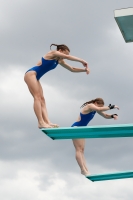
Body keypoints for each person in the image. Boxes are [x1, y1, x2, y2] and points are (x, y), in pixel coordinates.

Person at [24, 44, 90, 128]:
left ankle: (48, 122)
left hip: (36, 77)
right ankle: (40, 122)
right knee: (37, 97)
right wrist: (82, 61)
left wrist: (84, 70)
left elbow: (72, 69)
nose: (65, 56)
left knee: (42, 100)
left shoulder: (59, 60)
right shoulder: (52, 53)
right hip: (31, 74)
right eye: (65, 54)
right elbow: (69, 58)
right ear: (60, 50)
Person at [71, 98, 119, 176]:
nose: (100, 107)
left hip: (82, 129)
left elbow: (105, 115)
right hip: (76, 128)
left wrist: (113, 115)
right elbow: (99, 108)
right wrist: (112, 107)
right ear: (95, 103)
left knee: (82, 150)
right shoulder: (90, 106)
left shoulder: (95, 109)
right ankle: (82, 169)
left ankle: (85, 169)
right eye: (99, 105)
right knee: (78, 150)